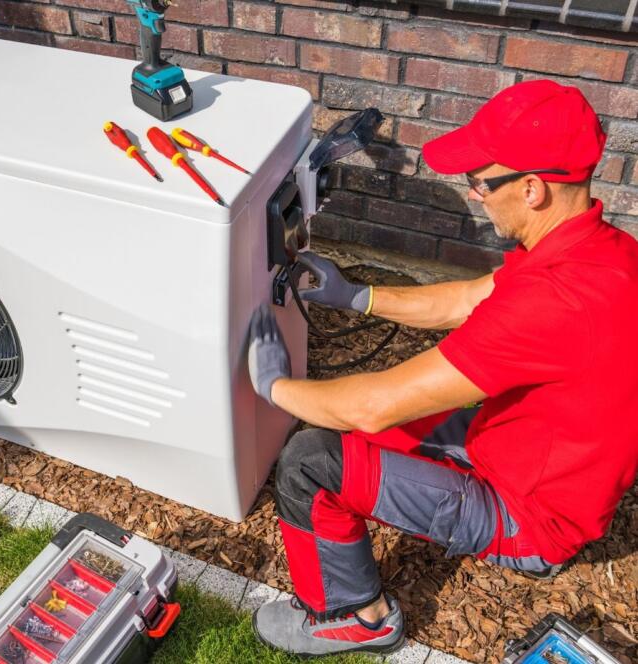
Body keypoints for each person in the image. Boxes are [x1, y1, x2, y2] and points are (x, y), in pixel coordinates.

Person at [246, 79, 638, 657]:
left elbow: (372, 406)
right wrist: (358, 296)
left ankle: (355, 618)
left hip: (528, 515)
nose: (475, 195)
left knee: (310, 462)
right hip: (536, 462)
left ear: (532, 189)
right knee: (355, 429)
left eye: (481, 182)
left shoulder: (555, 302)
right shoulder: (600, 252)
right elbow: (464, 300)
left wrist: (274, 386)